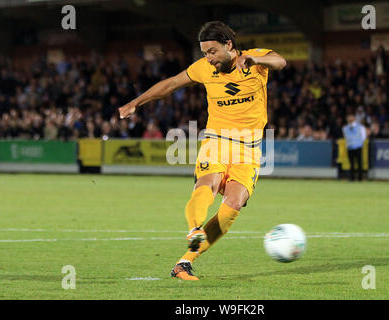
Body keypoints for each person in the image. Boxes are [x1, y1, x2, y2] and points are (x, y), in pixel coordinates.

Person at [118, 21, 286, 280]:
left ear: (229, 45)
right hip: (217, 140)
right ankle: (194, 227)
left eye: (212, 51)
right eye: (204, 52)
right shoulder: (203, 69)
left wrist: (253, 58)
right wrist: (136, 102)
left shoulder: (257, 60)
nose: (208, 58)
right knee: (208, 183)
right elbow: (172, 83)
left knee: (234, 204)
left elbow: (281, 61)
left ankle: (184, 263)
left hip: (250, 148)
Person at [342, 113, 366, 181]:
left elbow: (363, 137)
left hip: (358, 147)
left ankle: (360, 178)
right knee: (351, 163)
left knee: (359, 163)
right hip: (350, 147)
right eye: (348, 117)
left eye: (351, 117)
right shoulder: (345, 128)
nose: (349, 119)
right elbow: (345, 137)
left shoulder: (360, 127)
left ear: (354, 118)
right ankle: (352, 178)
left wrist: (359, 143)